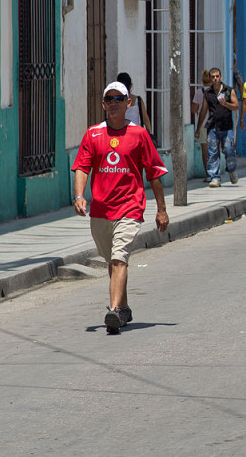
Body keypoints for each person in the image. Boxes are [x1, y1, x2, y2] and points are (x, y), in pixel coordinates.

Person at [73, 81, 169, 334]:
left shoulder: (139, 134)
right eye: (109, 98)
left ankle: (114, 311)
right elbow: (83, 166)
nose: (113, 102)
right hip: (101, 211)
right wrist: (79, 195)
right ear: (103, 104)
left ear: (128, 103)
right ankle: (124, 308)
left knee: (119, 258)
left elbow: (154, 173)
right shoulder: (93, 134)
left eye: (119, 98)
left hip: (130, 207)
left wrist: (161, 209)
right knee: (112, 262)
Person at [197, 68, 241, 187]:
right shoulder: (208, 93)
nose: (215, 79)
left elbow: (236, 106)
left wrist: (226, 104)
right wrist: (198, 128)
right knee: (212, 153)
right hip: (212, 127)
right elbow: (203, 110)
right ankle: (215, 177)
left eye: (217, 76)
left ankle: (231, 169)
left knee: (229, 151)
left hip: (226, 127)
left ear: (220, 77)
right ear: (210, 78)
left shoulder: (228, 90)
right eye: (213, 77)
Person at [191, 69, 211, 180]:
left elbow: (194, 110)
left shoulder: (200, 92)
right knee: (215, 149)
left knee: (205, 150)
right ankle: (215, 173)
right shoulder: (217, 91)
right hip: (215, 124)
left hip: (203, 124)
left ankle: (208, 174)